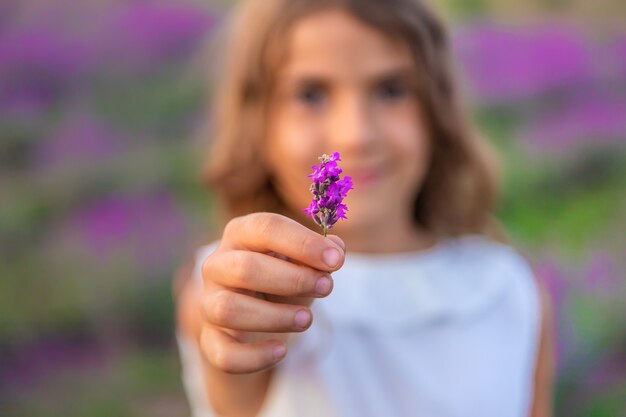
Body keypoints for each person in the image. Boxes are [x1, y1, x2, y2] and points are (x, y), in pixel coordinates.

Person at [174, 0, 556, 416]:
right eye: (311, 94)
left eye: (391, 89)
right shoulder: (236, 286)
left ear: (437, 109)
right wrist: (240, 327)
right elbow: (235, 382)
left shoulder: (506, 292)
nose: (355, 135)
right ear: (258, 123)